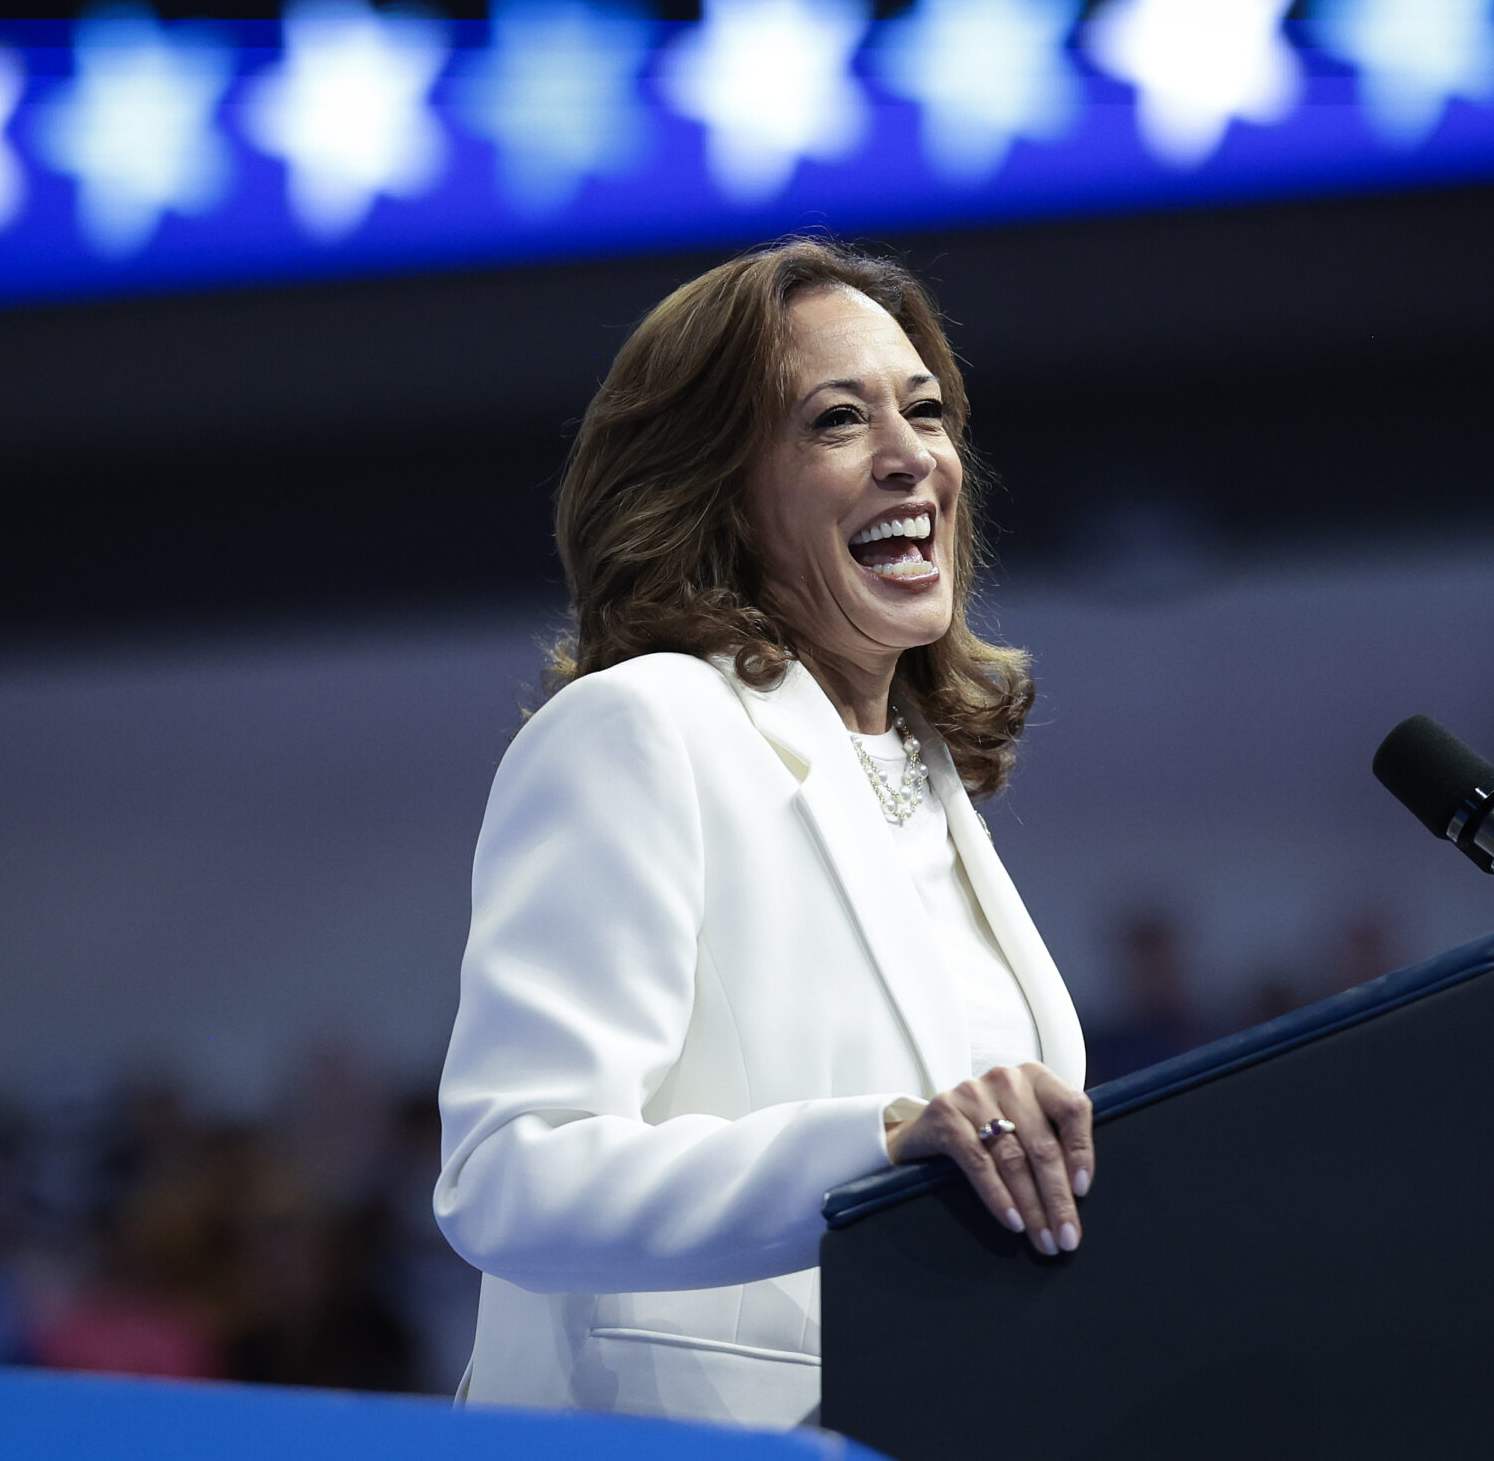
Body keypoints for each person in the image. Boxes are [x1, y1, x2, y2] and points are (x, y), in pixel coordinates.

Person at [432, 240, 1091, 1428]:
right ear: (715, 487)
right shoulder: (643, 727)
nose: (910, 458)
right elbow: (509, 1177)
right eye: (837, 421)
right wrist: (875, 1145)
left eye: (927, 412)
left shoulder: (930, 777)